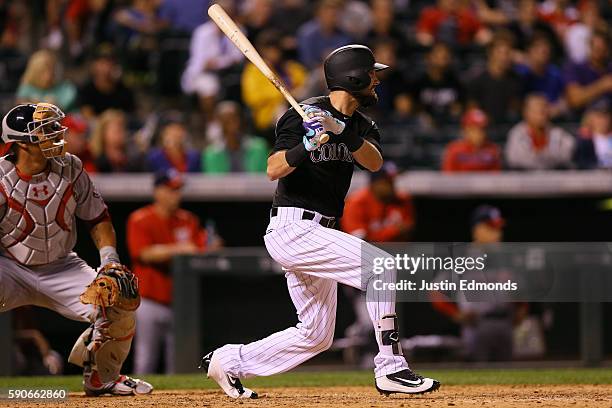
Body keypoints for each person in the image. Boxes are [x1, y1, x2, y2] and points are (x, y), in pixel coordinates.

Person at [200, 44, 440, 399]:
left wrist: (340, 130)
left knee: (316, 334)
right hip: (293, 227)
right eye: (371, 74)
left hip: (322, 231)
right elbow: (273, 169)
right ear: (352, 77)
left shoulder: (362, 124)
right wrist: (306, 146)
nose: (376, 81)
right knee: (381, 268)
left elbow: (373, 162)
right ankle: (391, 368)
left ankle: (229, 360)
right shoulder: (300, 116)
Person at [0, 102, 152, 396]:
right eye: (44, 130)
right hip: (9, 266)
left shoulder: (71, 166)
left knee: (119, 296)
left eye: (54, 127)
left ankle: (101, 378)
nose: (55, 134)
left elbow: (98, 219)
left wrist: (109, 261)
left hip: (61, 266)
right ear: (20, 143)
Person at [127, 169, 212, 374]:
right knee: (145, 360)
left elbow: (201, 248)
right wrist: (181, 249)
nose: (176, 195)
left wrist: (209, 246)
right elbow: (145, 254)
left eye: (178, 190)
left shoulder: (187, 220)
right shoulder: (140, 219)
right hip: (149, 301)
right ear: (158, 191)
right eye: (171, 190)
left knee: (179, 363)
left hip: (181, 303)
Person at [430, 205, 519, 362]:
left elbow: (520, 292)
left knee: (509, 379)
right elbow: (435, 292)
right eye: (491, 228)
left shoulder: (506, 258)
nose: (498, 233)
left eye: (498, 228)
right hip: (477, 325)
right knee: (479, 375)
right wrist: (456, 314)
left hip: (506, 324)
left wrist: (521, 310)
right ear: (477, 229)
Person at [241, 30, 308, 143]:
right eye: (268, 49)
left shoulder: (290, 67)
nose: (273, 52)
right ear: (262, 50)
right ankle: (289, 143)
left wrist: (295, 92)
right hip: (268, 113)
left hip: (297, 106)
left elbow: (305, 83)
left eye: (275, 48)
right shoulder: (254, 70)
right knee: (283, 110)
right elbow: (252, 98)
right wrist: (283, 94)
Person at [505, 94, 576, 170]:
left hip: (553, 177)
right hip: (525, 178)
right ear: (526, 113)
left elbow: (567, 155)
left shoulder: (557, 133)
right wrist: (545, 157)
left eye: (544, 110)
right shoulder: (517, 133)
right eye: (538, 111)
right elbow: (514, 159)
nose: (542, 115)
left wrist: (537, 156)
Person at [466, 32, 523, 124]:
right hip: (484, 128)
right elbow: (472, 111)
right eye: (500, 52)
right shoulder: (477, 81)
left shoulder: (516, 80)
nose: (504, 57)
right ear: (490, 52)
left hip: (508, 128)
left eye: (507, 53)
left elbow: (516, 109)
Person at [202, 101, 268, 173]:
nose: (231, 125)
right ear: (219, 123)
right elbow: (213, 181)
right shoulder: (211, 154)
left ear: (241, 120)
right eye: (226, 121)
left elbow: (266, 177)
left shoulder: (259, 148)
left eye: (234, 119)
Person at [410, 42, 464, 126]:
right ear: (428, 57)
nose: (443, 58)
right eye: (439, 55)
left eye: (446, 56)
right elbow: (411, 108)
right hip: (422, 128)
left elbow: (459, 107)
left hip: (448, 125)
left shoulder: (455, 81)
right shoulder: (418, 82)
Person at [77, 46, 136, 119]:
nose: (105, 68)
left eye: (109, 63)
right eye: (101, 63)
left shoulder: (124, 91)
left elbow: (130, 116)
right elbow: (87, 117)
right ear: (94, 66)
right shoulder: (86, 90)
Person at [563, 29, 612, 112]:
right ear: (589, 46)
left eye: (602, 48)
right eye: (596, 48)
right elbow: (575, 100)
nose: (599, 52)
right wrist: (602, 86)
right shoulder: (575, 68)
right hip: (583, 119)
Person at [296, 0, 351, 70]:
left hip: (337, 71)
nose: (333, 18)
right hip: (310, 72)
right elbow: (306, 61)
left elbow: (346, 60)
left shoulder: (343, 35)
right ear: (319, 14)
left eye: (336, 15)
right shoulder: (306, 33)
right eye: (331, 15)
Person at [415, 0, 491, 47]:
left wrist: (482, 39)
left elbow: (483, 34)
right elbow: (423, 35)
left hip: (461, 53)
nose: (452, 1)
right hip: (436, 51)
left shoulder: (466, 16)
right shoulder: (430, 14)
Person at [574, 104, 612, 169]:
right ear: (590, 118)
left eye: (605, 116)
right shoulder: (584, 140)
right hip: (594, 175)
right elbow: (582, 163)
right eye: (599, 116)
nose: (603, 121)